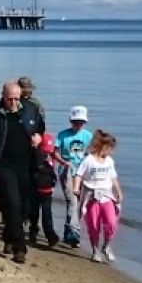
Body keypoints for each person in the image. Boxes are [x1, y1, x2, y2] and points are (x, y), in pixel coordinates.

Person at [0, 82, 43, 263]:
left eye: (16, 98)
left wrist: (38, 136)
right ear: (3, 96)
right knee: (13, 204)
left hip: (26, 164)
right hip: (3, 165)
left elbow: (40, 128)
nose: (13, 102)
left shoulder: (31, 109)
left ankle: (8, 236)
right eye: (9, 99)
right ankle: (19, 248)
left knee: (24, 208)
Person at [73, 130, 123, 262]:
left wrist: (118, 191)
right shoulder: (88, 160)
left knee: (111, 223)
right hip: (91, 197)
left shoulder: (109, 161)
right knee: (94, 227)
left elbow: (113, 177)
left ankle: (106, 245)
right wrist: (76, 188)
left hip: (107, 196)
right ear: (104, 147)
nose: (111, 152)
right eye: (111, 149)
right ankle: (95, 250)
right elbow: (79, 175)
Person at [56, 106, 93, 249]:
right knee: (72, 201)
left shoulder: (88, 136)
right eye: (76, 122)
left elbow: (92, 154)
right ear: (71, 121)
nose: (78, 125)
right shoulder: (63, 135)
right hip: (67, 171)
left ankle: (69, 234)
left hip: (83, 173)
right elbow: (55, 152)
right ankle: (75, 233)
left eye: (81, 122)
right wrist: (64, 162)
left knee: (80, 204)